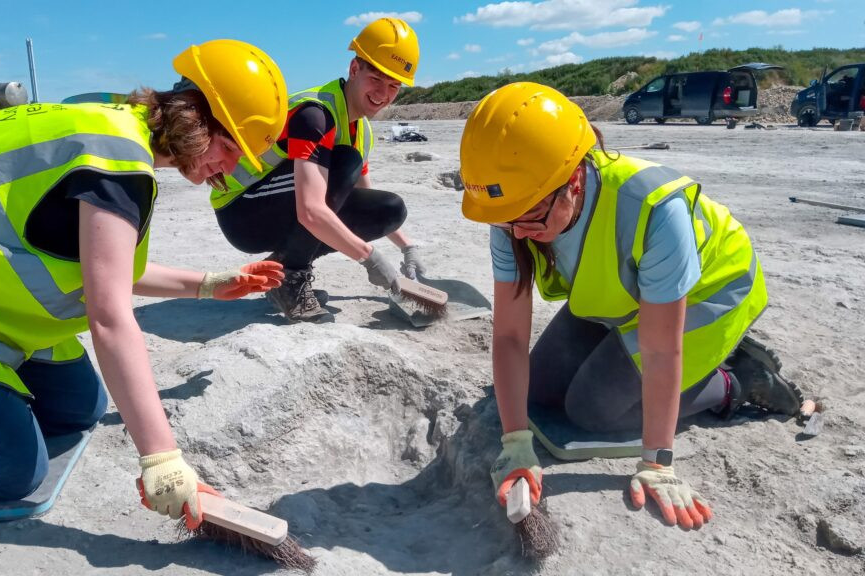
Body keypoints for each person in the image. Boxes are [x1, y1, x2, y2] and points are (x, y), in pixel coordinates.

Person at [0, 39, 289, 529]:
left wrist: (208, 284)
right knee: (10, 473)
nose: (228, 169)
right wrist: (161, 457)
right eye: (228, 148)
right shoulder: (116, 161)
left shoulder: (114, 128)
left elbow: (112, 271)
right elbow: (110, 316)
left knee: (80, 407)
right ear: (195, 115)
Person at [459, 83, 804, 530]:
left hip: (708, 289)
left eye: (530, 218)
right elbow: (509, 335)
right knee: (538, 392)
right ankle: (647, 355)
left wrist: (657, 462)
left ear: (575, 181)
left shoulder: (654, 209)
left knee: (592, 408)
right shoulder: (511, 210)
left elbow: (661, 350)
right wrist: (515, 443)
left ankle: (734, 379)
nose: (517, 234)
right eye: (507, 220)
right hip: (625, 291)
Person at [211, 17, 427, 322]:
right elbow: (311, 210)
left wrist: (407, 248)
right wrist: (370, 259)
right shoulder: (316, 114)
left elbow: (364, 197)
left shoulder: (361, 131)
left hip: (276, 206)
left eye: (393, 86)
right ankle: (290, 278)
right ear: (354, 69)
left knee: (389, 209)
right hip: (243, 210)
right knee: (344, 163)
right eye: (376, 79)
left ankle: (282, 268)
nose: (383, 93)